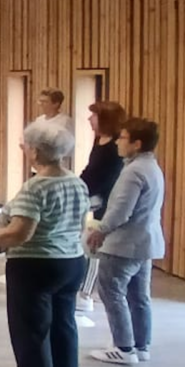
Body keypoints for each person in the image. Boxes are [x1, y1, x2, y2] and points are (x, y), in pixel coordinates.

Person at [0, 121, 89, 367]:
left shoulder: (35, 187)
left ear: (36, 151)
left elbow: (19, 233)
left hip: (35, 265)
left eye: (25, 145)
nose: (23, 149)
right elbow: (78, 224)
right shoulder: (76, 182)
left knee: (30, 327)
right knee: (64, 322)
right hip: (72, 262)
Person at [87, 118, 165, 366]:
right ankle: (141, 346)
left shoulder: (133, 172)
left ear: (137, 144)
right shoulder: (152, 167)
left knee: (112, 293)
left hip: (124, 244)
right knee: (139, 296)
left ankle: (123, 348)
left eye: (122, 138)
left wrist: (101, 230)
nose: (118, 143)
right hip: (145, 242)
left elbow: (121, 210)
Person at [76, 101, 127, 312]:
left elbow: (109, 178)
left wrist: (87, 194)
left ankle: (85, 293)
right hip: (94, 196)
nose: (89, 119)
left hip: (106, 200)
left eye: (94, 116)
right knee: (89, 244)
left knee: (94, 247)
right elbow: (90, 170)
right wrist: (77, 185)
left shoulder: (115, 146)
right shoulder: (99, 140)